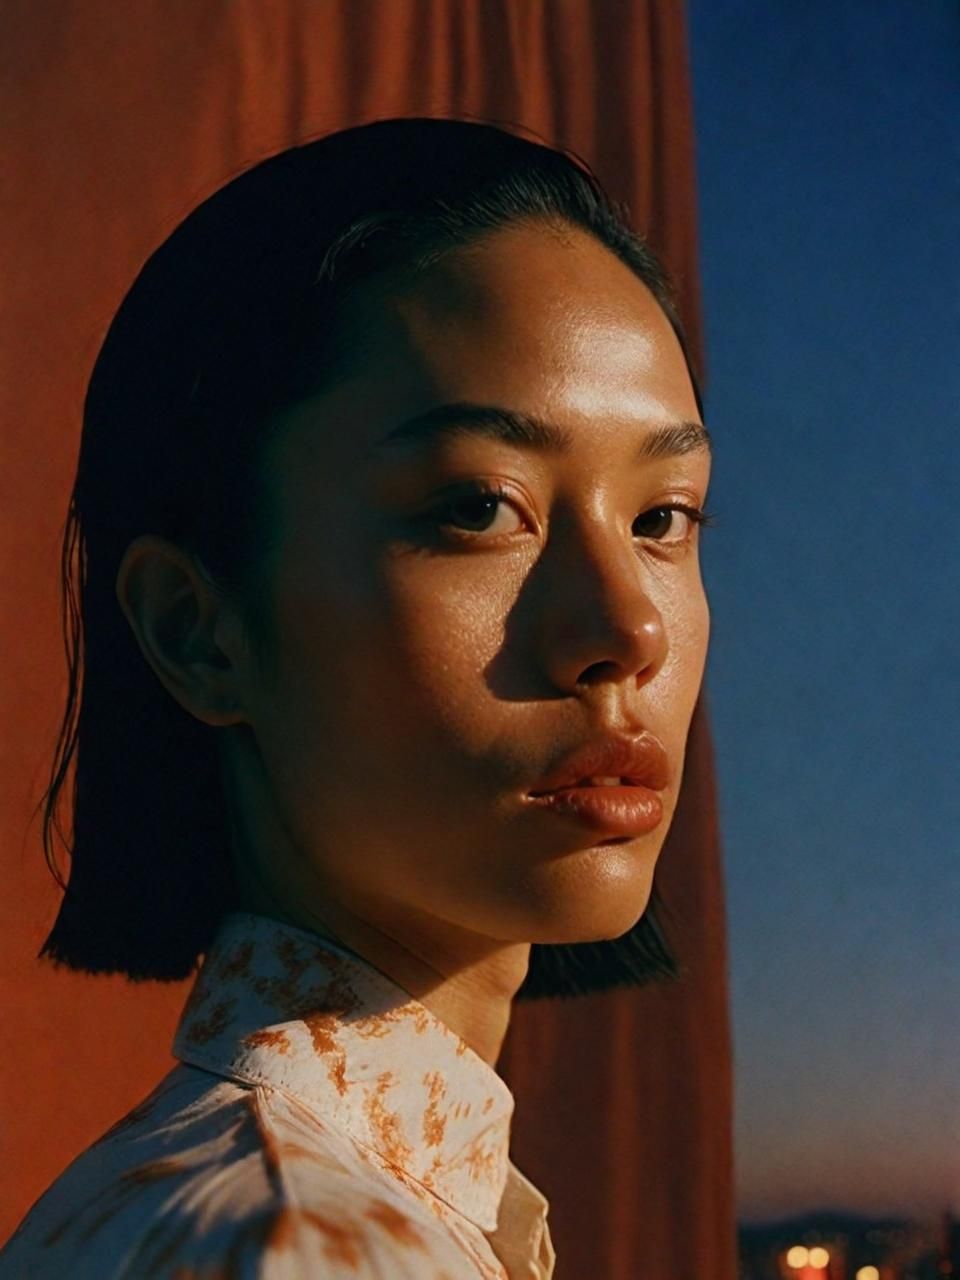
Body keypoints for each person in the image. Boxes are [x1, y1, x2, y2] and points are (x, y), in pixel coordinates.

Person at [0, 115, 713, 1278]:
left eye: (662, 518)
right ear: (200, 629)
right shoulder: (295, 1241)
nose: (628, 629)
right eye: (480, 506)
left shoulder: (278, 1205)